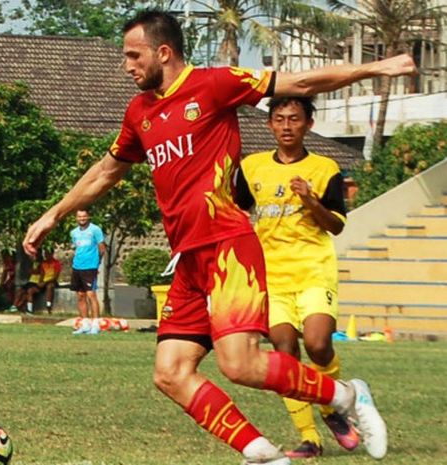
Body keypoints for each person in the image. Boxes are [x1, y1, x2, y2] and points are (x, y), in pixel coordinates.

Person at [23, 9, 414, 464]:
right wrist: (55, 213)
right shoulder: (140, 112)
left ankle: (348, 397)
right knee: (170, 372)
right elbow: (107, 171)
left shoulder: (214, 84)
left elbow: (301, 84)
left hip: (229, 246)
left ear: (163, 52)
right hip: (188, 260)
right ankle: (264, 454)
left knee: (240, 364)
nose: (125, 65)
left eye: (133, 55)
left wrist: (374, 67)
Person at [236, 96, 357, 458]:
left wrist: (311, 200)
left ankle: (330, 407)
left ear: (309, 124)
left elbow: (336, 225)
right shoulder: (252, 167)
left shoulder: (325, 168)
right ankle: (309, 437)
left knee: (319, 344)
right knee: (284, 356)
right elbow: (237, 210)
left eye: (294, 119)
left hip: (313, 271)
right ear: (270, 124)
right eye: (279, 119)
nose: (286, 126)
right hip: (272, 276)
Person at [69, 210, 106, 335]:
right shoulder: (74, 232)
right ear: (76, 218)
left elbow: (102, 248)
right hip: (77, 266)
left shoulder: (95, 230)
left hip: (90, 267)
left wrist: (97, 263)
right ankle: (85, 324)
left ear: (88, 217)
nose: (82, 218)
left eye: (84, 216)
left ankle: (95, 324)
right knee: (80, 295)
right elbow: (76, 248)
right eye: (79, 216)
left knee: (91, 295)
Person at [36, 249, 62, 313]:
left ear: (51, 254)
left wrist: (45, 282)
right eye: (45, 254)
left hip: (52, 281)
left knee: (50, 287)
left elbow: (55, 277)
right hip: (44, 281)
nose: (46, 255)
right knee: (31, 289)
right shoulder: (43, 263)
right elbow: (42, 274)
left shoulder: (56, 263)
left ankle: (48, 306)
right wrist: (40, 282)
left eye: (47, 254)